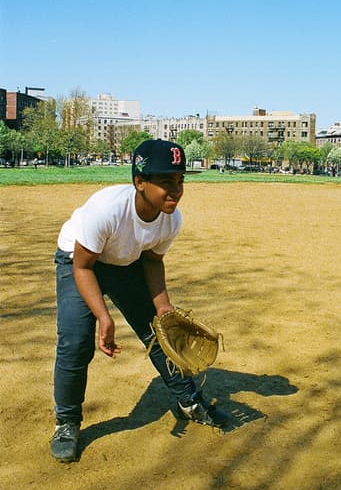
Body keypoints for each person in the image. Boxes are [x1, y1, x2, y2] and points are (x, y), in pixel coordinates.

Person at [50, 139, 229, 463]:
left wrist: (164, 309)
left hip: (125, 263)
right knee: (75, 342)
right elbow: (83, 266)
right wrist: (104, 318)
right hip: (78, 260)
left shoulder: (170, 219)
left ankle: (188, 400)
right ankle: (67, 422)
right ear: (140, 182)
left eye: (180, 180)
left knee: (160, 333)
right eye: (165, 182)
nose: (175, 190)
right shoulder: (107, 210)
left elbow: (151, 261)